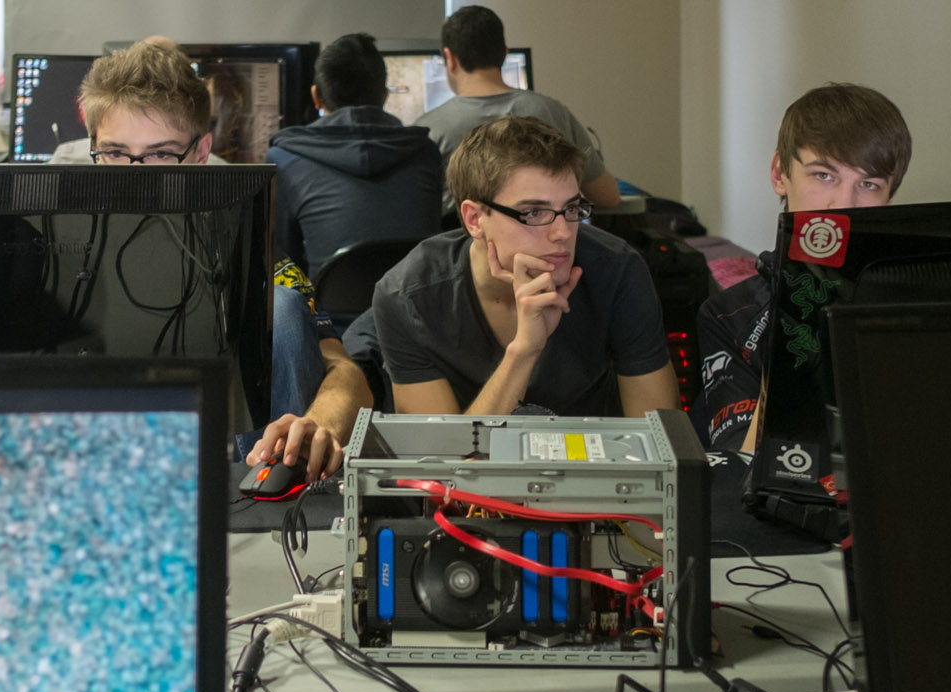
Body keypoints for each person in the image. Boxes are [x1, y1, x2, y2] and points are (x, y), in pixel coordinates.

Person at [80, 37, 370, 478]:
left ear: (200, 152)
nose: (134, 178)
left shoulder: (247, 246)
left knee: (285, 306)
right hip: (94, 453)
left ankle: (274, 487)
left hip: (226, 464)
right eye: (116, 153)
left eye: (159, 154)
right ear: (94, 145)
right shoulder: (58, 242)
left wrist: (318, 425)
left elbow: (346, 372)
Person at [372, 115, 678, 418]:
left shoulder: (617, 271)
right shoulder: (408, 297)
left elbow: (662, 445)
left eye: (571, 208)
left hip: (595, 462)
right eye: (533, 212)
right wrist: (524, 352)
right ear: (474, 219)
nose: (563, 232)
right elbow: (442, 461)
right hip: (477, 469)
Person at [691, 83, 912, 451]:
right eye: (823, 175)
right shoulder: (729, 315)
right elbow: (739, 464)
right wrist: (799, 314)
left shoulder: (909, 303)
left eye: (869, 184)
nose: (844, 203)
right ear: (780, 173)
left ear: (889, 199)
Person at [265, 32, 442, 278]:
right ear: (384, 96)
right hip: (413, 312)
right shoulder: (427, 153)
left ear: (316, 97)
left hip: (326, 315)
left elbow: (282, 263)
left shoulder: (283, 160)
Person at [416, 5, 621, 212]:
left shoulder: (427, 130)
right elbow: (608, 196)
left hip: (463, 243)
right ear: (504, 54)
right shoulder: (553, 112)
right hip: (547, 239)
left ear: (450, 59)